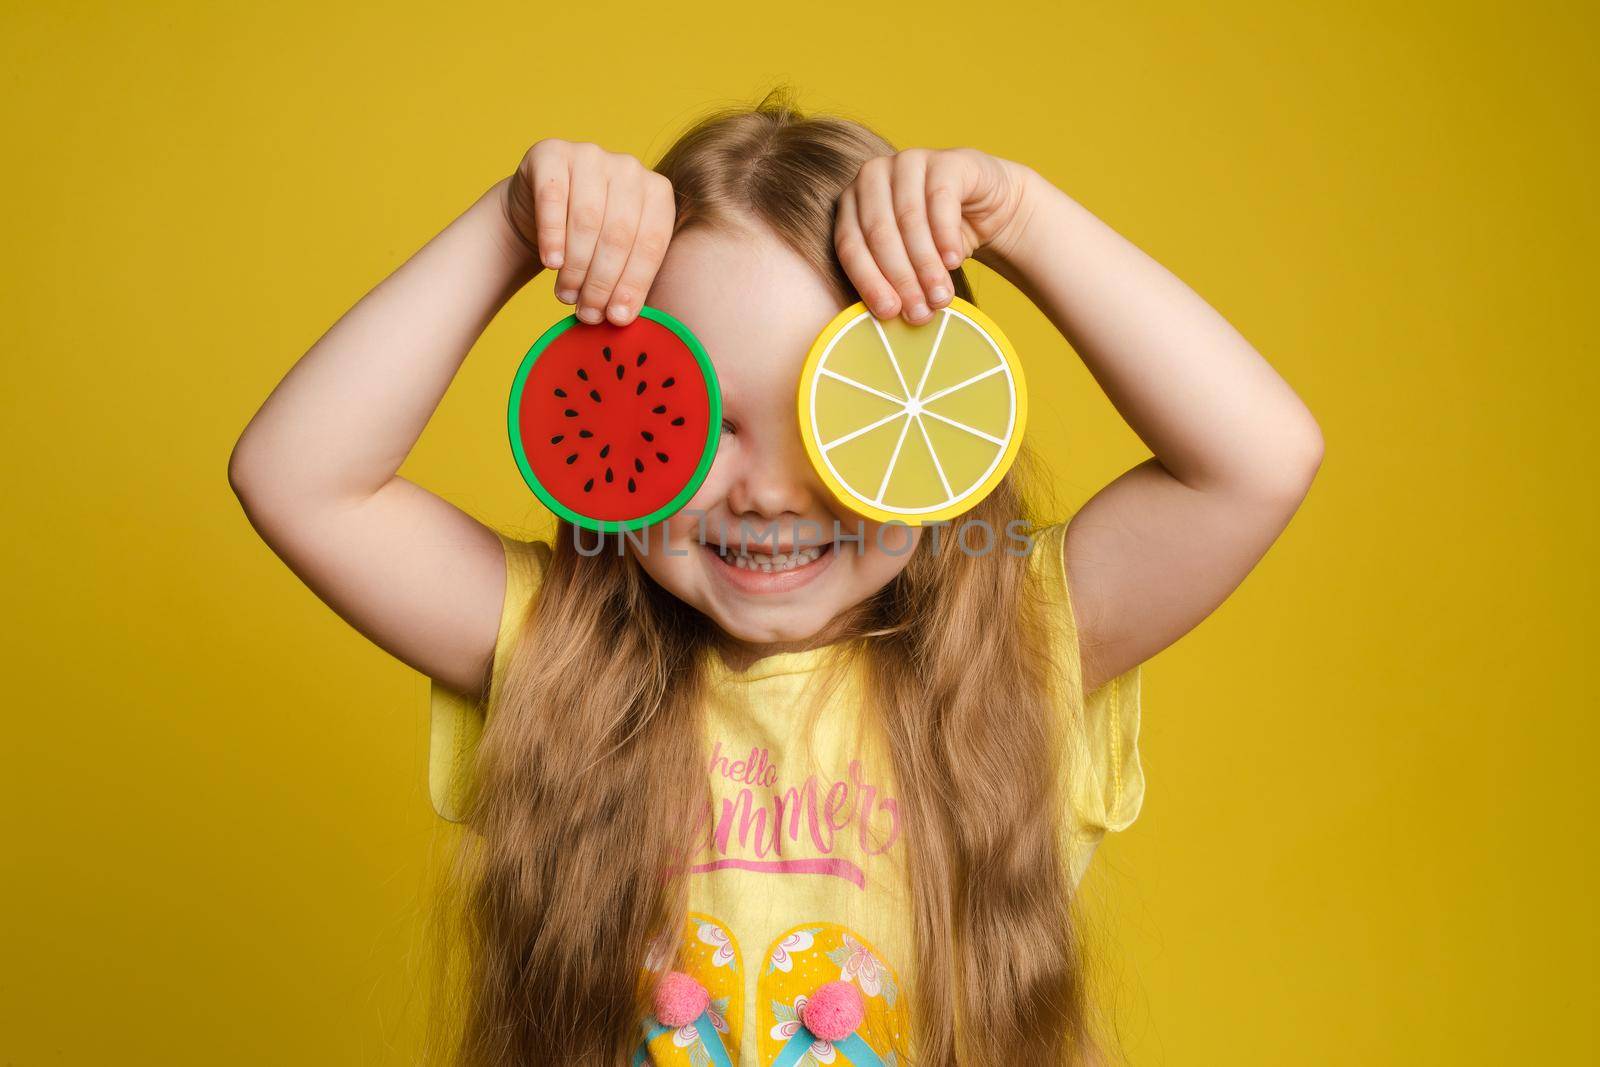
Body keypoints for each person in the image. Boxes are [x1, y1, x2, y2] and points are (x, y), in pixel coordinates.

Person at [228, 87, 1323, 1066]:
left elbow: (1257, 460)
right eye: (700, 419)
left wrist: (1024, 221)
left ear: (936, 421)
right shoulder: (554, 653)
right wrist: (509, 231)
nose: (769, 493)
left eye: (835, 416)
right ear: (609, 413)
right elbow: (300, 479)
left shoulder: (1016, 648)